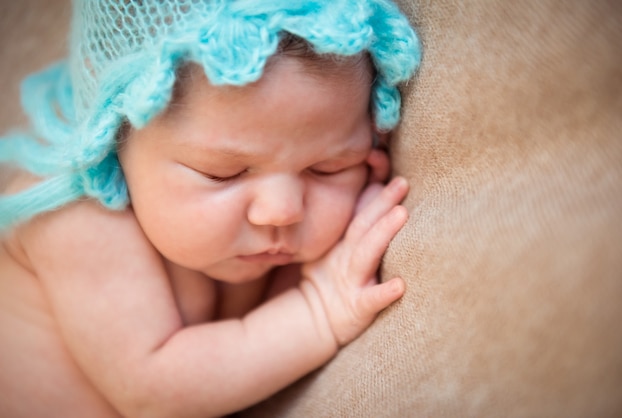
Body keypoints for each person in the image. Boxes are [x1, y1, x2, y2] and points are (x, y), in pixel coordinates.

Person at [0, 0, 420, 416]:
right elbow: (155, 391)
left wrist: (336, 250)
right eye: (224, 174)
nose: (282, 211)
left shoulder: (230, 235)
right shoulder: (74, 216)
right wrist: (320, 310)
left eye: (328, 167)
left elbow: (255, 338)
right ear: (117, 135)